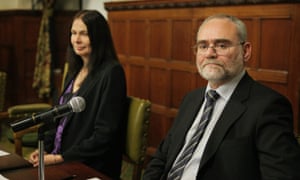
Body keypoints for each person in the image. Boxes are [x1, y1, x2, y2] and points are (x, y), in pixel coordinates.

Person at [143, 14, 300, 180]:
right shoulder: (191, 99)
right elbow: (162, 157)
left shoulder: (268, 106)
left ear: (246, 51)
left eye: (222, 45)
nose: (210, 53)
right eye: (203, 46)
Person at [28, 10, 127, 179]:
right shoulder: (74, 70)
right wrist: (45, 149)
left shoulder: (112, 72)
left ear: (98, 37)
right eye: (73, 33)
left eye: (84, 34)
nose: (77, 40)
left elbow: (104, 135)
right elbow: (58, 120)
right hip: (61, 158)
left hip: (89, 165)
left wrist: (60, 158)